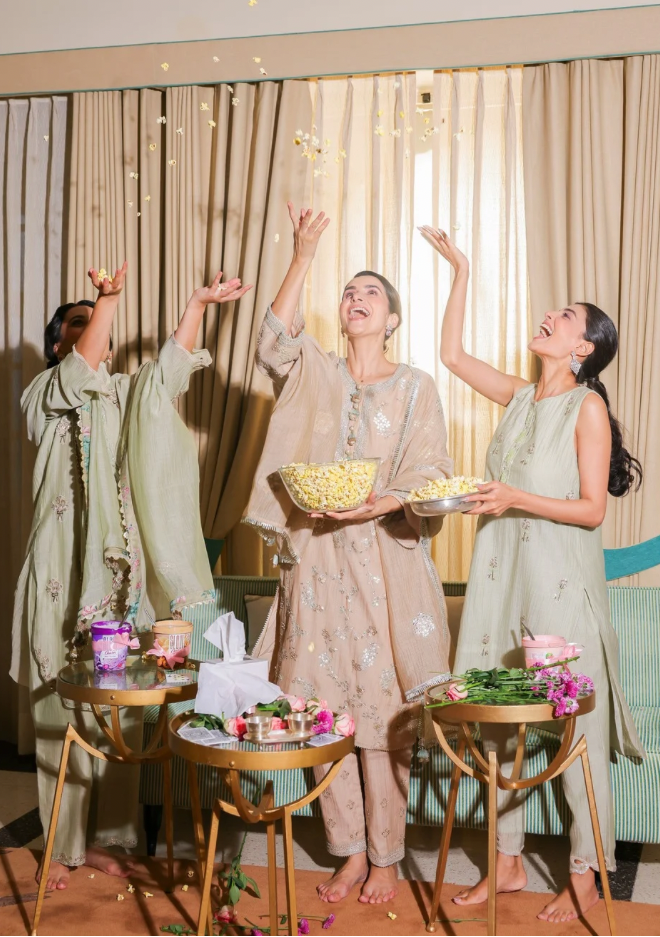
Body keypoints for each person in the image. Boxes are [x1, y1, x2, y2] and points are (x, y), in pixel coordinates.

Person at [419, 225, 645, 925]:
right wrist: (461, 269)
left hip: (559, 591)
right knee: (494, 726)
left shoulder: (587, 407)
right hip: (497, 582)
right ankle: (507, 859)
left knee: (576, 734)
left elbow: (589, 510)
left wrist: (513, 496)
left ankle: (584, 870)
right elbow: (451, 354)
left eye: (565, 317)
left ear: (583, 347)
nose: (549, 316)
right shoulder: (519, 398)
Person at [10, 264, 252, 892]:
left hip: (120, 578)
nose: (91, 334)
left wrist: (197, 302)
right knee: (59, 707)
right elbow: (78, 373)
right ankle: (62, 845)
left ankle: (111, 837)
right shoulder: (45, 394)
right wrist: (107, 298)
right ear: (58, 345)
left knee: (121, 707)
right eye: (76, 327)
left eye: (98, 326)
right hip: (62, 577)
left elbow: (168, 371)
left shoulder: (126, 394)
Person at [244, 205, 453, 905]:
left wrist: (385, 500)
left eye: (371, 293)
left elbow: (431, 471)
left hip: (388, 565)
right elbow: (271, 342)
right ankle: (347, 851)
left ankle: (388, 856)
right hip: (316, 562)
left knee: (381, 712)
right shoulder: (315, 372)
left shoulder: (417, 386)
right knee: (322, 710)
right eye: (349, 291)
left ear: (391, 318)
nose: (356, 299)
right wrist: (302, 254)